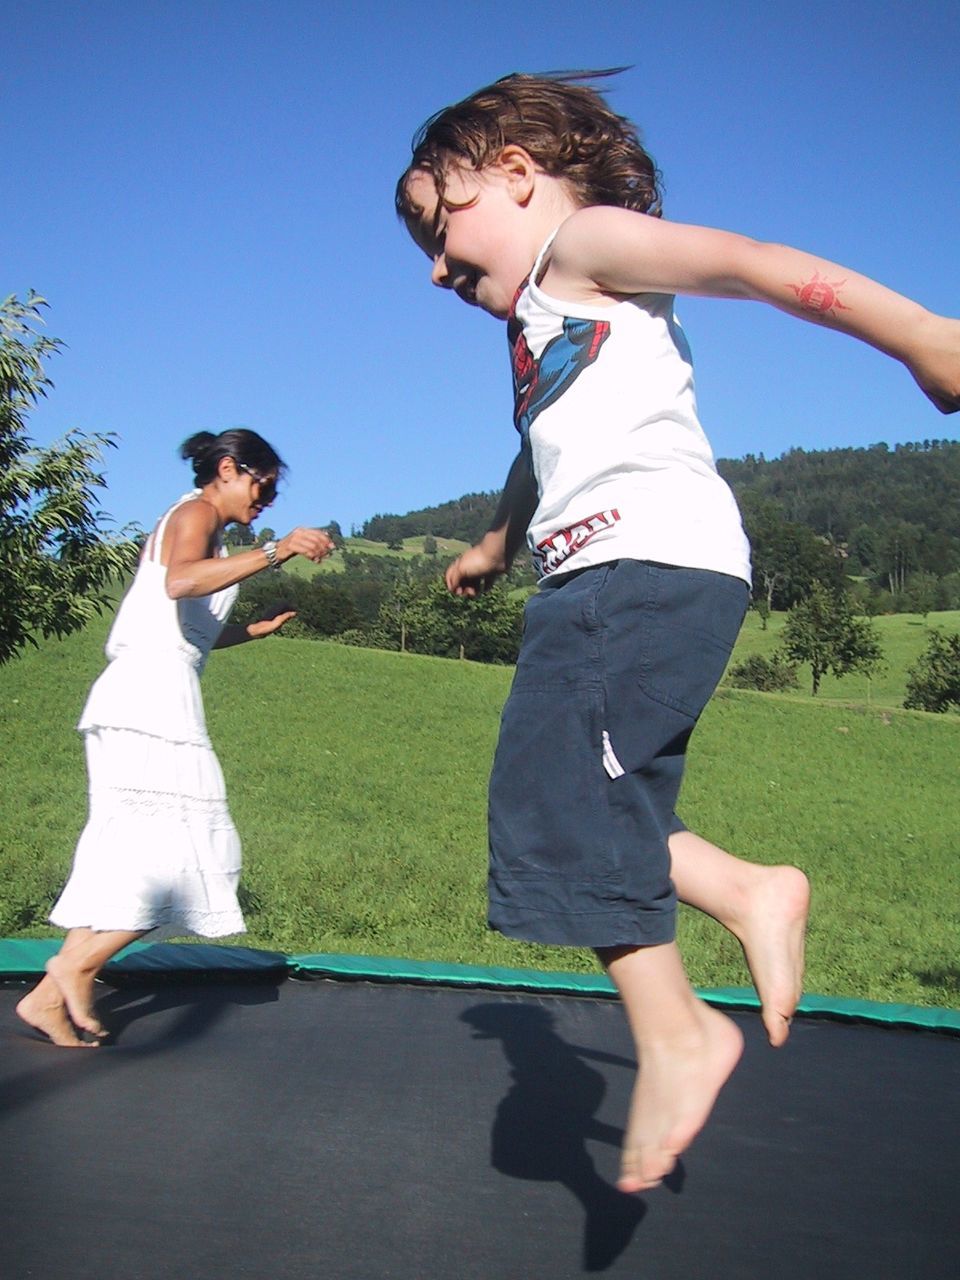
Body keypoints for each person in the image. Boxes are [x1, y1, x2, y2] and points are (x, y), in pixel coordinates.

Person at [395, 72, 960, 1194]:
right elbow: (542, 440)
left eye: (441, 224)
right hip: (600, 567)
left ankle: (679, 1031)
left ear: (515, 172)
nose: (435, 267)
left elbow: (748, 261)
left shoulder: (587, 242)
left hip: (644, 560)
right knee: (580, 799)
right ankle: (751, 890)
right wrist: (496, 541)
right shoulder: (550, 321)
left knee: (560, 794)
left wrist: (924, 335)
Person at [16, 429, 333, 1048]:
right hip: (150, 698)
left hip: (144, 690)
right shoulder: (195, 512)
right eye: (263, 485)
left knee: (133, 859)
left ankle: (48, 999)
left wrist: (248, 630)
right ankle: (76, 966)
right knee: (193, 860)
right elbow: (180, 583)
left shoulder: (194, 522)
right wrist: (280, 550)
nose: (266, 500)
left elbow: (180, 622)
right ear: (228, 468)